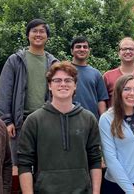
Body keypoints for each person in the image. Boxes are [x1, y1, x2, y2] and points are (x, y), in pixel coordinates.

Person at [17, 61, 102, 194]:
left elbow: (95, 160)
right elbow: (24, 163)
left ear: (75, 85)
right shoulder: (34, 120)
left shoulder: (89, 119)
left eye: (68, 80)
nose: (63, 84)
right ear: (50, 85)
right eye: (57, 80)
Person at [0, 18, 58, 170]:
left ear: (47, 36)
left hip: (47, 120)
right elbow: (5, 91)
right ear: (28, 35)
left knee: (46, 162)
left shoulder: (53, 63)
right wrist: (6, 120)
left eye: (42, 31)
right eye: (34, 31)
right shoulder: (15, 60)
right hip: (20, 122)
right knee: (20, 164)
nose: (38, 34)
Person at [103, 37, 134, 107]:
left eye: (131, 49)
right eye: (124, 49)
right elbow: (102, 102)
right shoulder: (108, 77)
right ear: (119, 53)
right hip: (114, 117)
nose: (127, 52)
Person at [70, 36, 109, 119]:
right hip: (69, 119)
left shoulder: (96, 74)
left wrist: (103, 121)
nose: (82, 49)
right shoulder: (64, 71)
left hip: (92, 120)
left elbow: (101, 100)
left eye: (85, 47)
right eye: (78, 47)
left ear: (89, 51)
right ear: (71, 51)